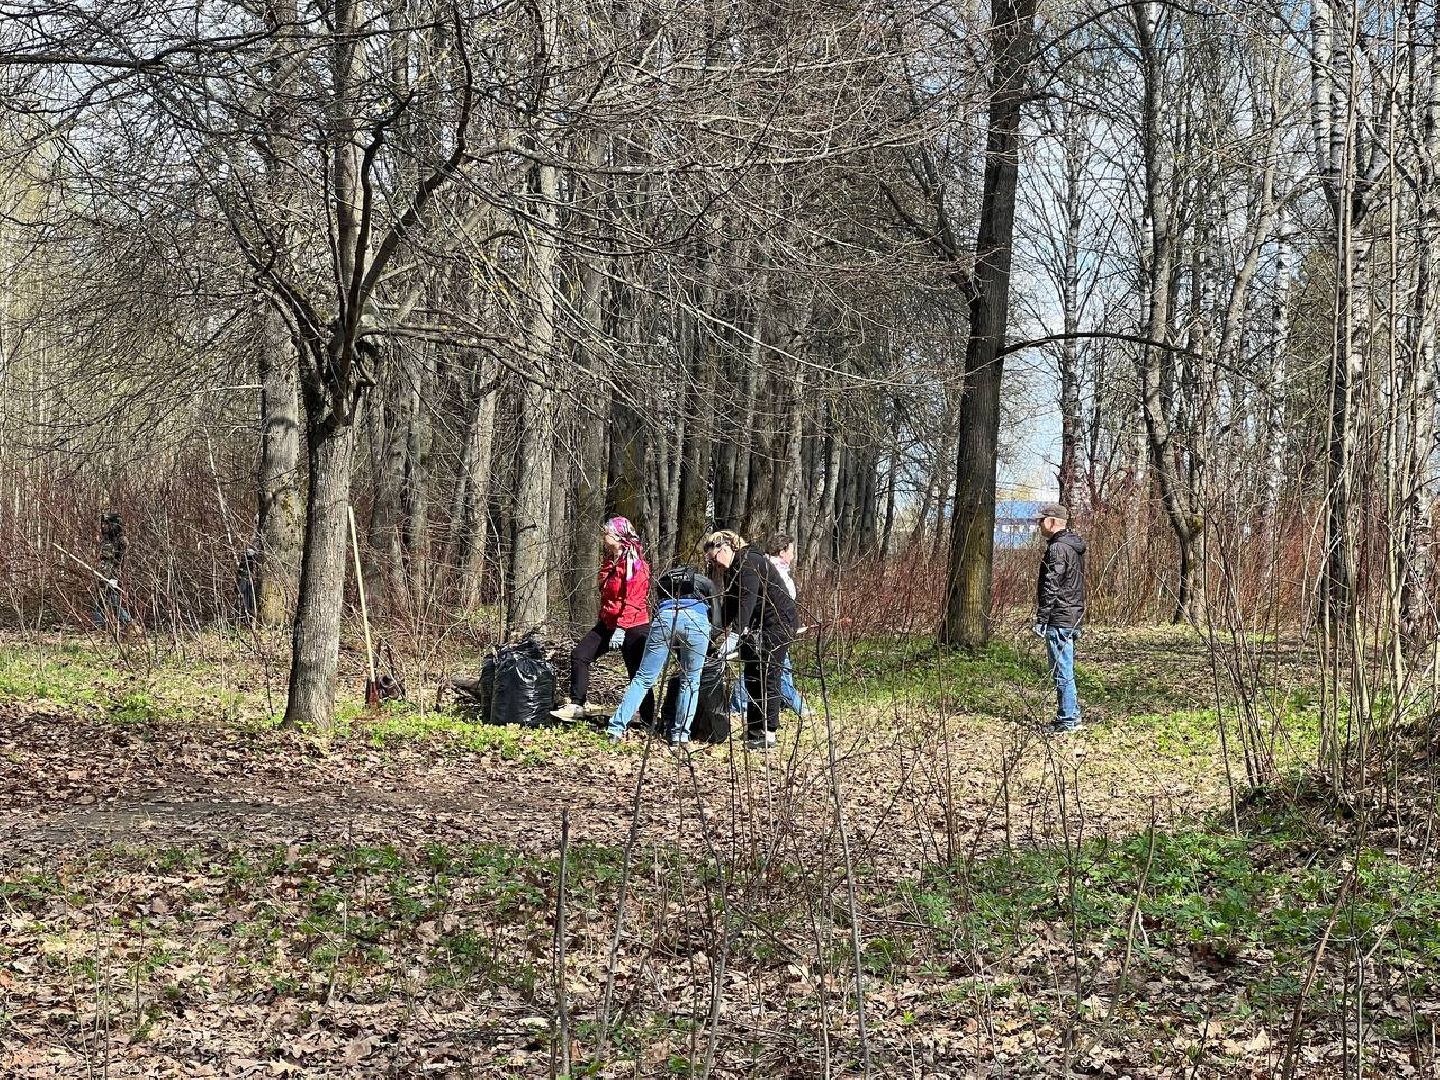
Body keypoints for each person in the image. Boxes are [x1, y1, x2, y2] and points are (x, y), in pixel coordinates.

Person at [606, 562, 720, 748]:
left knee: (643, 678)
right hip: (696, 622)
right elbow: (716, 620)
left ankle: (615, 729)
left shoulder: (665, 583)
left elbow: (658, 609)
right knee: (690, 681)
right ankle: (680, 736)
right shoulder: (706, 582)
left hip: (665, 618)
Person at [552, 517, 654, 724]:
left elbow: (634, 600)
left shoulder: (637, 565)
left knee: (637, 673)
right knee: (580, 655)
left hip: (633, 625)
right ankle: (577, 704)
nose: (603, 536)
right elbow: (608, 595)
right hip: (608, 623)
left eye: (607, 532)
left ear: (618, 536)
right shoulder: (610, 562)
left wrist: (622, 629)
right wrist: (609, 623)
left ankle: (647, 718)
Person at [705, 529, 798, 751]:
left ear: (725, 547)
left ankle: (769, 733)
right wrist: (713, 633)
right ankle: (755, 728)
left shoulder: (749, 562)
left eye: (715, 560)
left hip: (777, 624)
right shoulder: (733, 568)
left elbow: (747, 600)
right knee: (752, 675)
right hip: (755, 627)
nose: (715, 566)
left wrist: (734, 635)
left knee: (769, 676)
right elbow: (729, 604)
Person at [730, 533, 808, 720]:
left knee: (776, 669)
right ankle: (740, 705)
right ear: (782, 551)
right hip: (771, 627)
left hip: (776, 626)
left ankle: (746, 704)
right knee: (771, 670)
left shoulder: (771, 566)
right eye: (791, 550)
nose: (793, 555)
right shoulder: (774, 569)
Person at [1034, 503, 1086, 734]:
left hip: (1060, 617)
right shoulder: (1073, 547)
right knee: (1066, 668)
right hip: (1072, 614)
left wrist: (1042, 617)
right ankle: (1071, 715)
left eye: (1040, 520)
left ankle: (1067, 720)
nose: (1038, 524)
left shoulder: (1057, 549)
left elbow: (1051, 585)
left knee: (1061, 669)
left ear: (1052, 522)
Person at [93, 511, 132, 631]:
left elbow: (119, 560)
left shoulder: (121, 540)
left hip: (114, 576)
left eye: (108, 524)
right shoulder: (106, 540)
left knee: (114, 602)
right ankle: (100, 626)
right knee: (100, 602)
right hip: (103, 574)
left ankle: (129, 623)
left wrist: (114, 578)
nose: (105, 527)